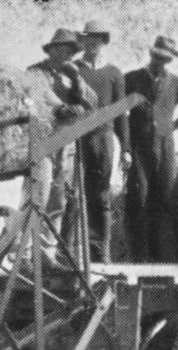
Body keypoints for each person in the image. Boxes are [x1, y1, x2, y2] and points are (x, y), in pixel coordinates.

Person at [124, 36, 178, 262]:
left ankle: (166, 256)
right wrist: (126, 146)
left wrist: (174, 126)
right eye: (157, 57)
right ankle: (141, 256)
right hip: (139, 148)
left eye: (165, 59)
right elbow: (118, 111)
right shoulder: (132, 79)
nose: (160, 62)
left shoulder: (175, 82)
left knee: (166, 198)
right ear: (151, 55)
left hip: (165, 148)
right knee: (139, 198)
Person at [26, 28, 97, 265]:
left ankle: (46, 252)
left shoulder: (72, 75)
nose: (70, 55)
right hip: (42, 140)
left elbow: (92, 102)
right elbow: (32, 98)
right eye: (66, 50)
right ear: (53, 49)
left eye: (73, 51)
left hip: (65, 143)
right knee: (37, 194)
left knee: (58, 198)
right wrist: (59, 108)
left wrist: (77, 80)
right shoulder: (35, 72)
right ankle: (24, 253)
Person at [74, 21, 130, 263]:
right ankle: (68, 251)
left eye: (97, 39)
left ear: (104, 42)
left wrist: (126, 149)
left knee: (101, 195)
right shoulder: (74, 69)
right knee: (73, 192)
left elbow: (121, 114)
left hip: (104, 138)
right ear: (83, 42)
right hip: (76, 138)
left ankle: (99, 252)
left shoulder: (114, 73)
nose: (92, 43)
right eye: (88, 39)